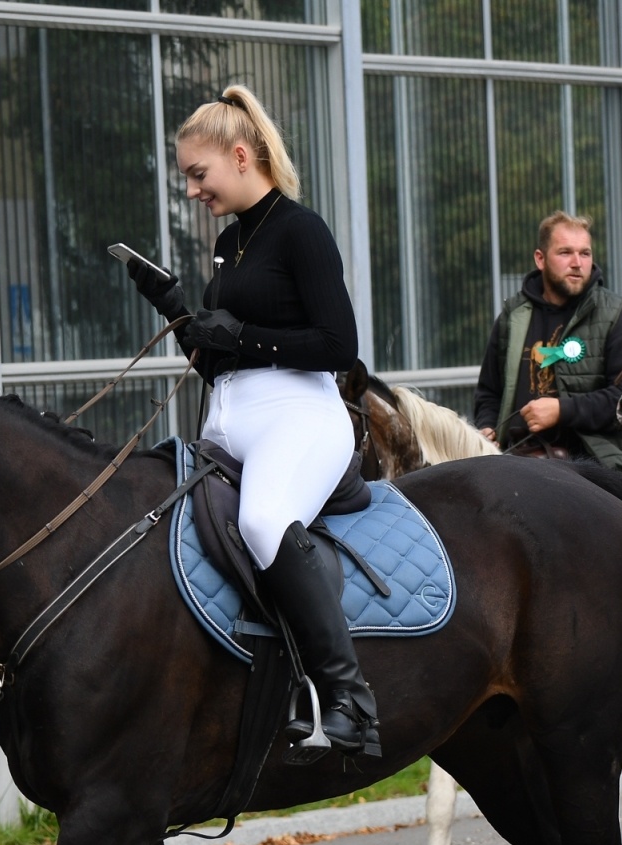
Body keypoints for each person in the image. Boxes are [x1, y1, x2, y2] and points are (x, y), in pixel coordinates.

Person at [124, 85, 375, 754]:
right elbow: (219, 363)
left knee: (263, 521)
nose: (191, 191)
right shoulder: (228, 244)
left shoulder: (300, 230)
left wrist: (246, 337)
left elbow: (337, 345)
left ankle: (348, 697)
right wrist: (178, 310)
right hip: (229, 417)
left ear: (240, 156)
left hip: (301, 416)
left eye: (196, 175)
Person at [472, 212, 622, 477]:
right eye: (565, 253)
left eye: (585, 254)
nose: (577, 263)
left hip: (595, 467)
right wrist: (486, 429)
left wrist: (562, 411)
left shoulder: (619, 315)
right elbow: (489, 393)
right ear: (540, 259)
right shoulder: (513, 316)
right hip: (515, 463)